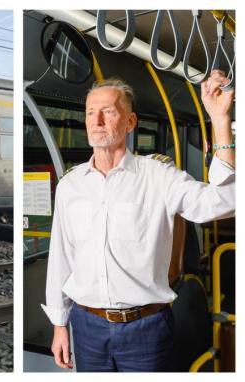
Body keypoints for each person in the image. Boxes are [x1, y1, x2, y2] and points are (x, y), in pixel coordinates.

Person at [42, 70, 235, 372]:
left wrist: (220, 121)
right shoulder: (70, 185)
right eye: (91, 113)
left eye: (107, 112)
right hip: (86, 327)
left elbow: (222, 203)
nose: (97, 121)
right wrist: (59, 324)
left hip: (147, 329)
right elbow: (61, 259)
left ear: (130, 122)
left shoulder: (159, 177)